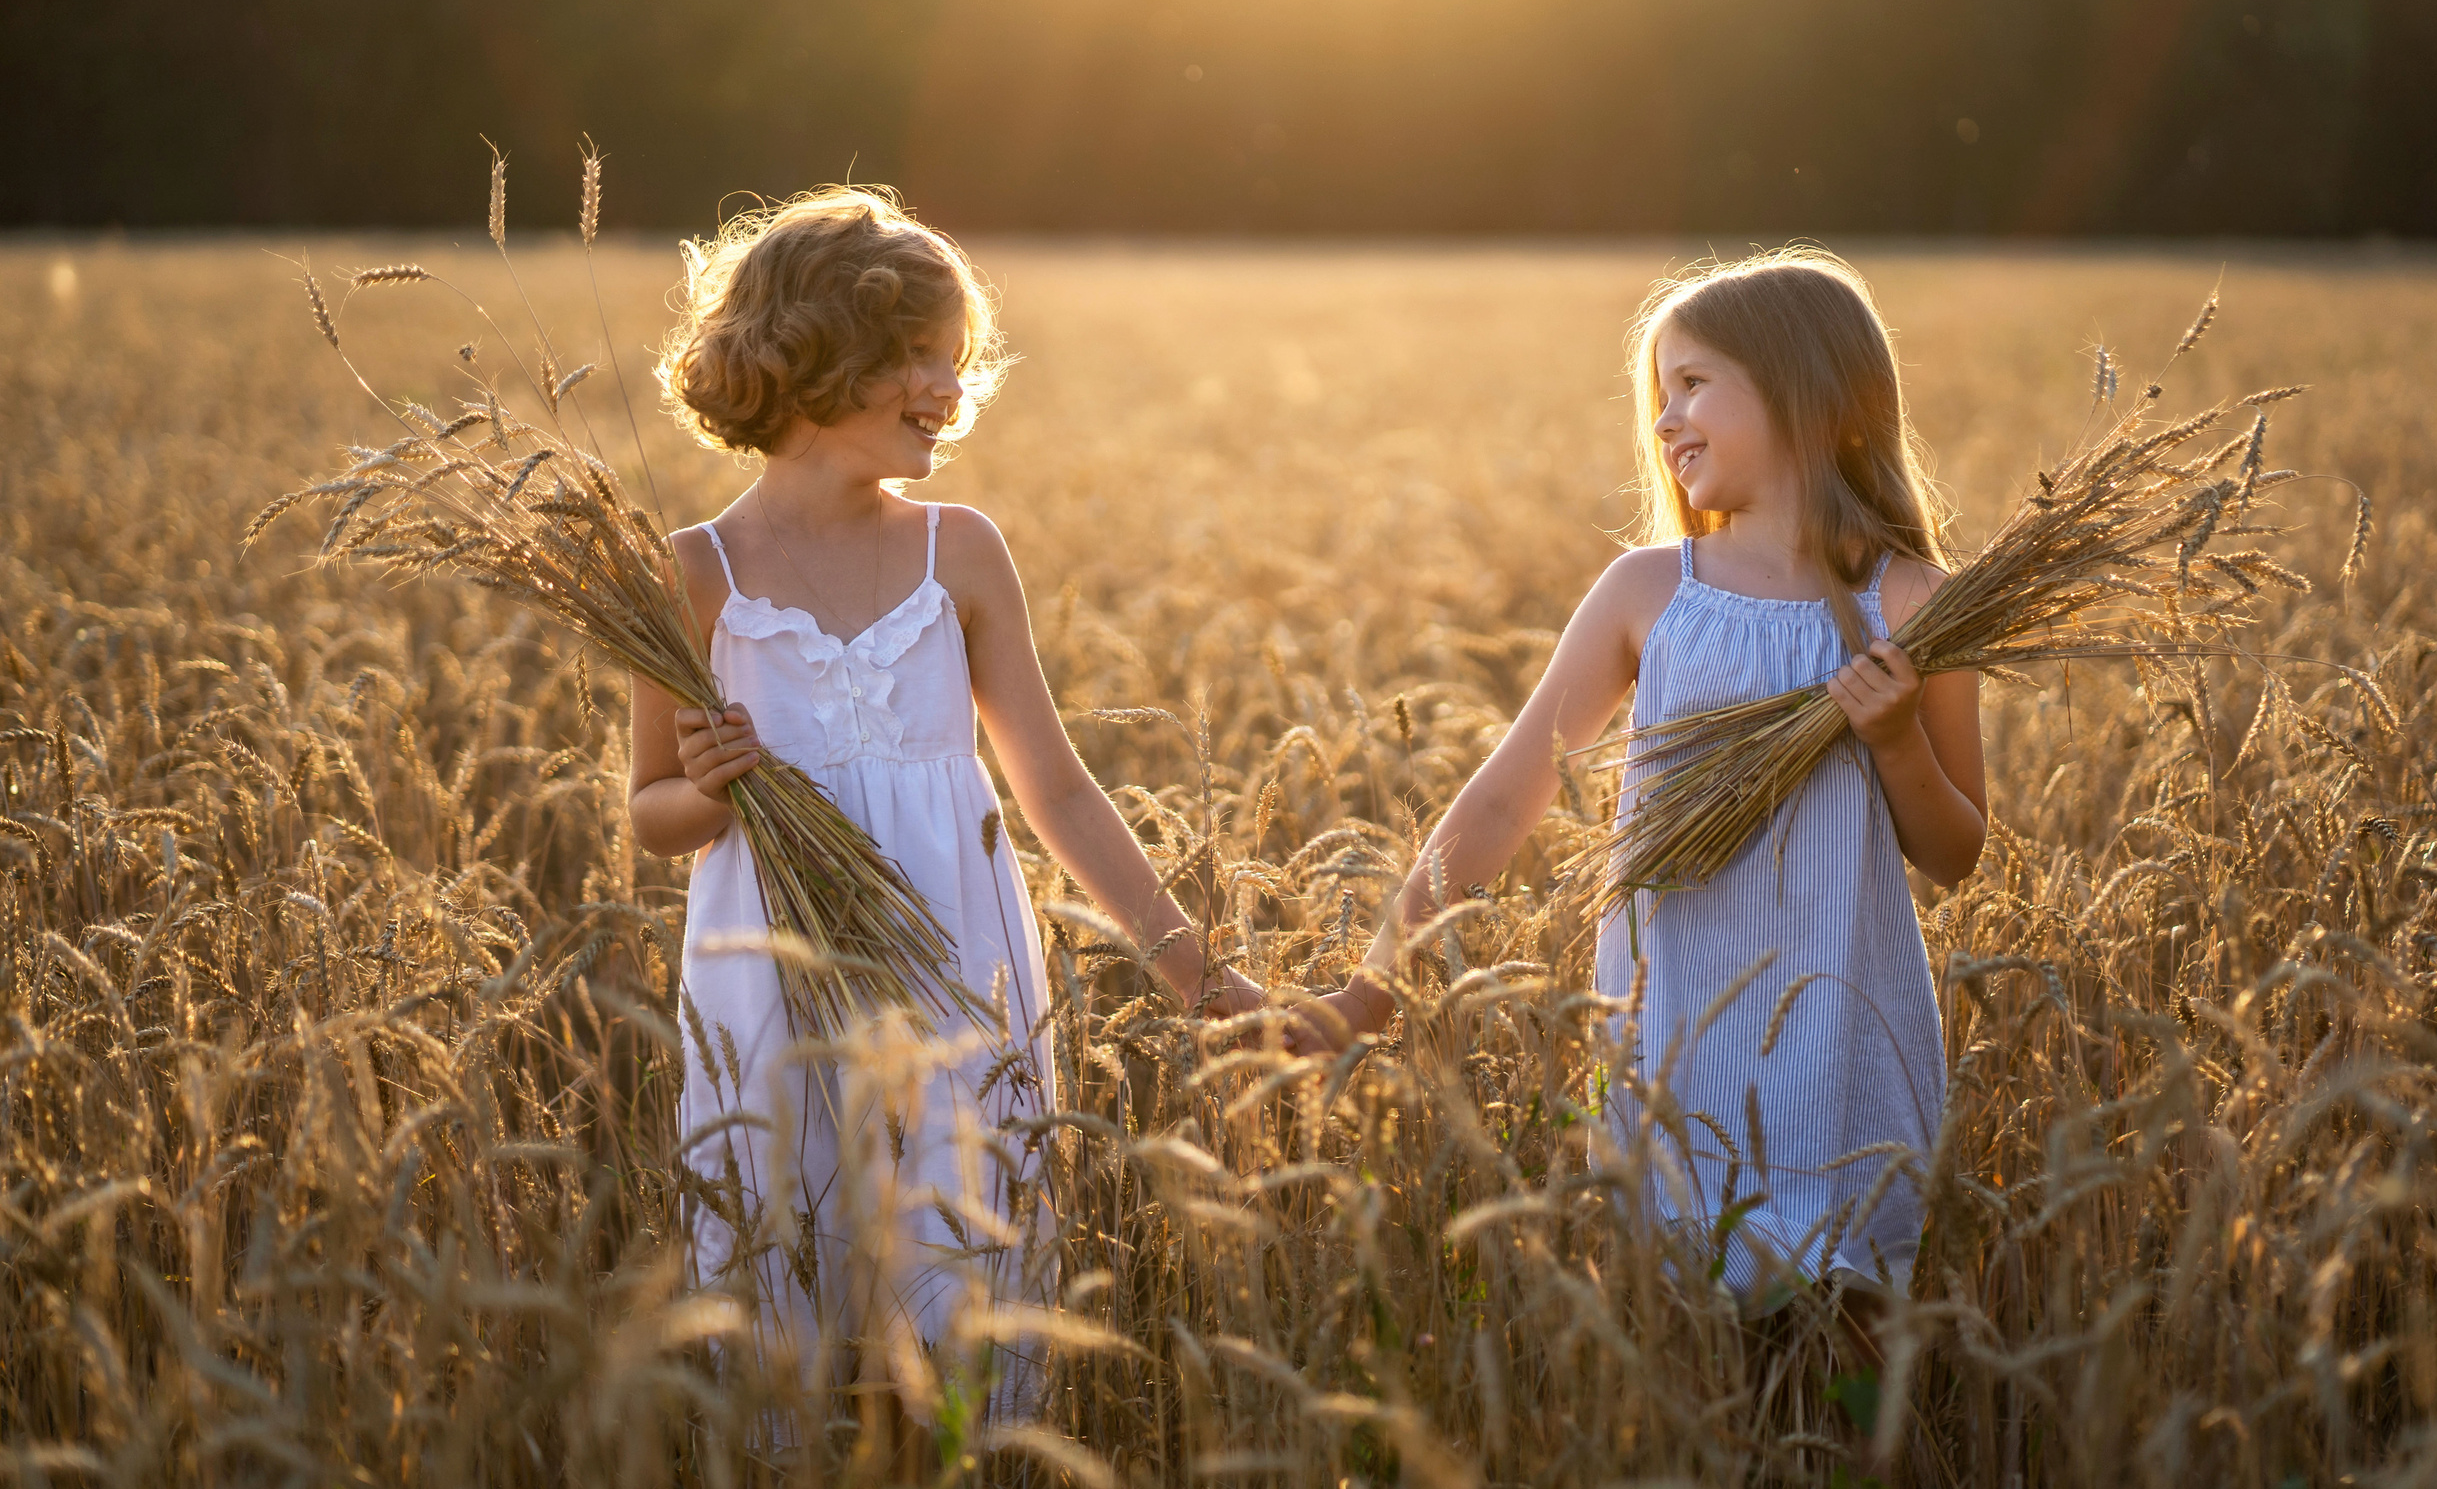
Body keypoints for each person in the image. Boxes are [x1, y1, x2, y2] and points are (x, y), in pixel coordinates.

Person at [627, 188, 1258, 1390]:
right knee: (793, 1245)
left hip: (951, 955)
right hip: (773, 970)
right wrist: (711, 793)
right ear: (814, 352)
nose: (946, 387)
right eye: (917, 356)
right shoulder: (695, 574)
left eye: (956, 360)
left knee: (956, 1253)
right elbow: (650, 813)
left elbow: (1058, 792)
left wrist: (1194, 970)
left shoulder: (956, 550)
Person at [1288, 247, 1983, 1298]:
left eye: (1694, 384)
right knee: (1682, 1322)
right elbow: (1505, 791)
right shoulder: (1649, 594)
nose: (1665, 419)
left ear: (1806, 391)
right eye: (1660, 393)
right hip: (1673, 1027)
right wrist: (1370, 990)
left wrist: (1892, 743)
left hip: (1845, 1030)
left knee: (1852, 1335)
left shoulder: (1921, 604)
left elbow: (1955, 854)